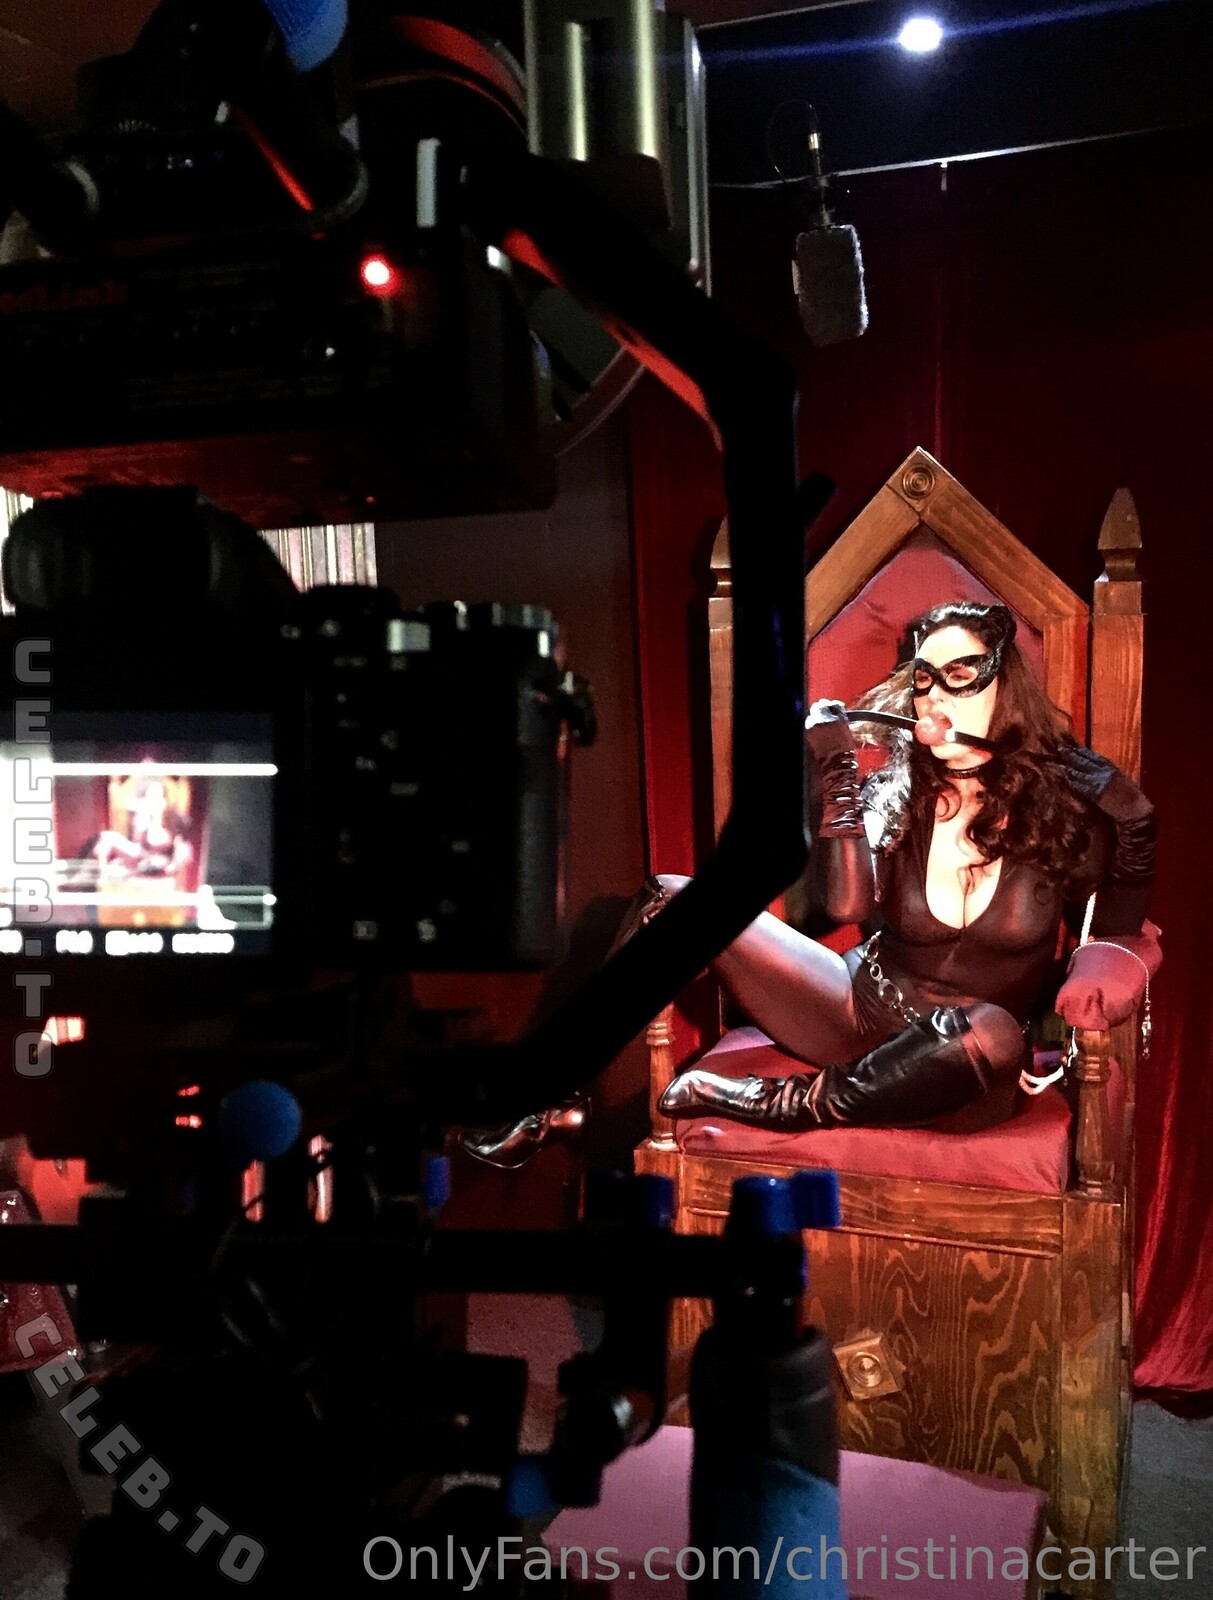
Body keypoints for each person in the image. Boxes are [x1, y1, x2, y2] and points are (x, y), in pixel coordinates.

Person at [657, 600, 1159, 1133]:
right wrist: (837, 771)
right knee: (669, 898)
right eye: (924, 680)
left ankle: (788, 1103)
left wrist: (1136, 823)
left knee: (993, 1031)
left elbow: (1116, 932)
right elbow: (847, 905)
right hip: (855, 1010)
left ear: (1004, 688)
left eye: (958, 676)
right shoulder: (896, 795)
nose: (934, 695)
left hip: (961, 1065)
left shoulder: (1058, 812)